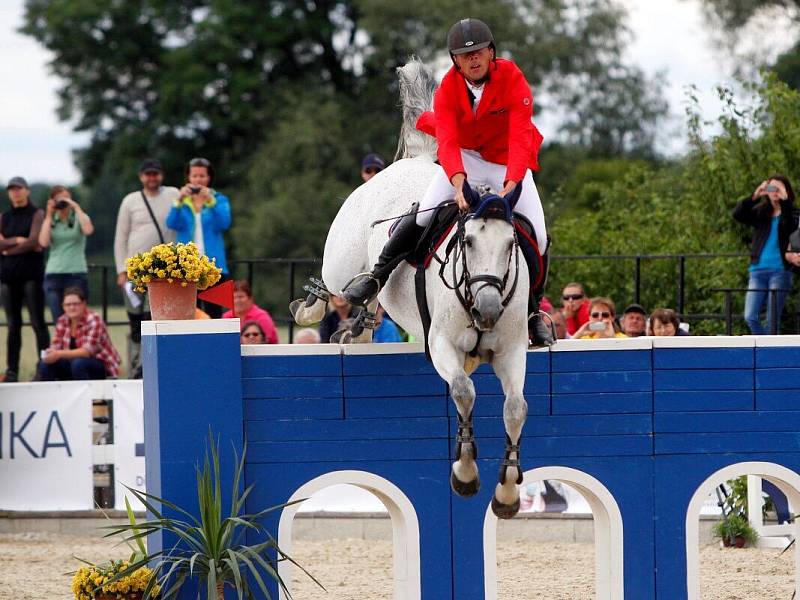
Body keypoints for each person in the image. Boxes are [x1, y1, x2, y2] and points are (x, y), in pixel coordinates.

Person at [342, 18, 553, 346]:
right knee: (425, 212)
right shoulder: (448, 89)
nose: (473, 59)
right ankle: (375, 276)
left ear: (491, 53)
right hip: (464, 157)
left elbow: (521, 134)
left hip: (506, 160)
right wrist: (457, 184)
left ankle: (532, 312)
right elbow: (449, 142)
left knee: (537, 235)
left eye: (479, 53)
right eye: (464, 55)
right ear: (455, 60)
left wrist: (512, 182)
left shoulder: (512, 78)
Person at [114, 159, 179, 377]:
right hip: (134, 269)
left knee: (154, 317)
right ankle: (136, 363)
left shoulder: (173, 194)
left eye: (155, 174)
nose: (152, 178)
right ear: (141, 176)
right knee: (135, 318)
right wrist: (121, 270)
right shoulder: (130, 201)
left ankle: (151, 363)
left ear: (161, 175)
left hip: (162, 270)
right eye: (148, 174)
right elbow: (121, 236)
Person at [166, 157, 231, 318]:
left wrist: (211, 202)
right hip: (189, 266)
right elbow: (171, 223)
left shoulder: (219, 199)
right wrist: (179, 201)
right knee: (188, 313)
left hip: (214, 267)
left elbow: (224, 223)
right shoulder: (183, 201)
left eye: (202, 176)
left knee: (214, 314)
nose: (198, 180)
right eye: (195, 176)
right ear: (188, 178)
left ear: (209, 178)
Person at [0, 176, 50, 382]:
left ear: (26, 191)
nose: (16, 192)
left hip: (31, 275)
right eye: (12, 189)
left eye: (19, 188)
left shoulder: (37, 213)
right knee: (13, 325)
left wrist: (9, 248)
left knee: (37, 322)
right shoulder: (4, 217)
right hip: (8, 276)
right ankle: (12, 369)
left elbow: (34, 241)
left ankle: (45, 367)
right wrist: (17, 241)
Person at [732, 175, 796, 334]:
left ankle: (768, 355)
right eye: (771, 188)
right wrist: (755, 196)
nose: (774, 192)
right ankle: (765, 349)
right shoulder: (761, 212)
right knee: (750, 316)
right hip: (757, 271)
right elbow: (738, 214)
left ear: (786, 190)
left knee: (772, 319)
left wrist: (785, 200)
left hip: (780, 272)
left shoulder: (792, 213)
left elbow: (791, 226)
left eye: (778, 188)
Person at [37, 287, 120, 380]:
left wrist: (58, 353)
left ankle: (88, 394)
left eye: (75, 304)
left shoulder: (94, 319)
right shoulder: (62, 321)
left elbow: (87, 352)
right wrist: (50, 354)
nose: (72, 307)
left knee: (78, 364)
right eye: (68, 305)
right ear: (63, 306)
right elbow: (55, 346)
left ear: (84, 304)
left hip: (101, 365)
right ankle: (52, 393)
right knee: (45, 364)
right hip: (73, 364)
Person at [38, 185, 94, 322]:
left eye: (66, 198)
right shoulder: (50, 220)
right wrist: (49, 215)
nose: (62, 202)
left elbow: (88, 230)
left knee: (78, 318)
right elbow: (43, 243)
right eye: (58, 199)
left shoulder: (79, 217)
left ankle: (77, 344)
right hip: (54, 274)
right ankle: (63, 344)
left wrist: (76, 208)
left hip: (76, 273)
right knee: (59, 319)